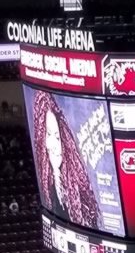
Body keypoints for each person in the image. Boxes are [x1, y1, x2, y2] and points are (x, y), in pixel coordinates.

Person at [29, 89, 104, 227]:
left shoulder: (75, 184)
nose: (54, 145)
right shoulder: (48, 188)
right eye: (49, 135)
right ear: (41, 139)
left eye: (57, 137)